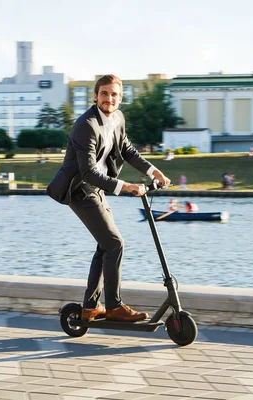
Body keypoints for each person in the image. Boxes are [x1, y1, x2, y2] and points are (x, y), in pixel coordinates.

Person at [46, 74, 171, 323]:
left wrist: (152, 170)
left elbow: (126, 149)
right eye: (104, 93)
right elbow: (88, 172)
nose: (109, 99)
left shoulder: (118, 118)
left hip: (98, 188)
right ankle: (114, 306)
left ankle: (91, 306)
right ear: (95, 96)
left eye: (114, 94)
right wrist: (126, 186)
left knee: (106, 245)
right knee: (115, 243)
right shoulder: (86, 125)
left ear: (120, 98)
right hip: (79, 189)